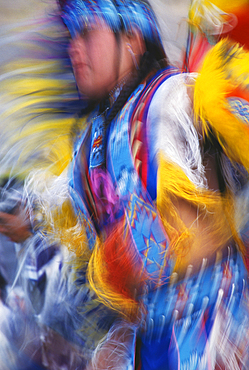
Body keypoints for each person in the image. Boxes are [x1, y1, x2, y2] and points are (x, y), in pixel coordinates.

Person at [1, 0, 249, 369]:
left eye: (86, 33)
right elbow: (45, 207)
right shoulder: (89, 145)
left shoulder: (176, 98)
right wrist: (20, 215)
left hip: (222, 328)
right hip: (150, 341)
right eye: (70, 37)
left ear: (132, 38)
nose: (74, 49)